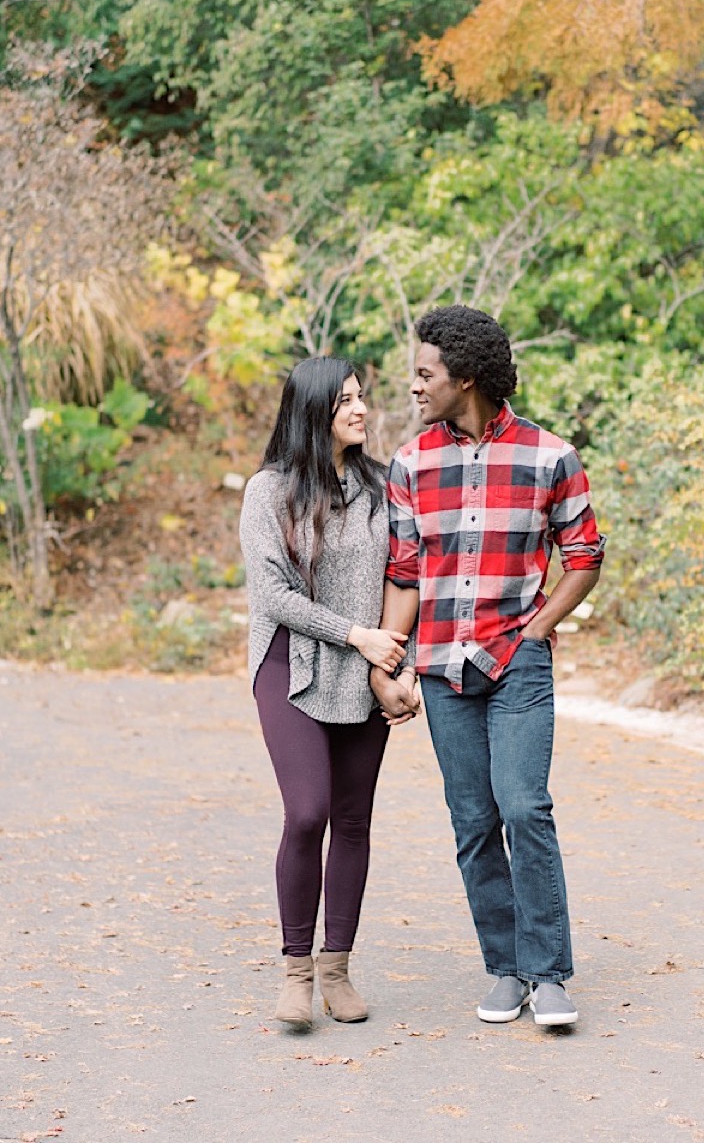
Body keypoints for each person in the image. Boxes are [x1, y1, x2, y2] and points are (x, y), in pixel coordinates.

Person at [370, 305, 604, 1028]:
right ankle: (505, 969)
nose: (414, 387)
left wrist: (538, 628)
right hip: (443, 672)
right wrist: (389, 661)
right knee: (473, 820)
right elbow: (406, 573)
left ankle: (550, 974)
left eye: (424, 373)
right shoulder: (410, 464)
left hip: (517, 667)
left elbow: (585, 556)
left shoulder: (549, 457)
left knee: (525, 808)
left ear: (465, 377)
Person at [239, 356, 410, 1028]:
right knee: (307, 813)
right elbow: (274, 595)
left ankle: (337, 967)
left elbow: (408, 573)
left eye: (362, 398)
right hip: (293, 661)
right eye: (345, 402)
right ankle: (295, 972)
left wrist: (399, 660)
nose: (361, 410)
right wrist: (356, 636)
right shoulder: (269, 492)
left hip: (366, 667)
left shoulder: (383, 485)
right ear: (313, 412)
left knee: (354, 819)